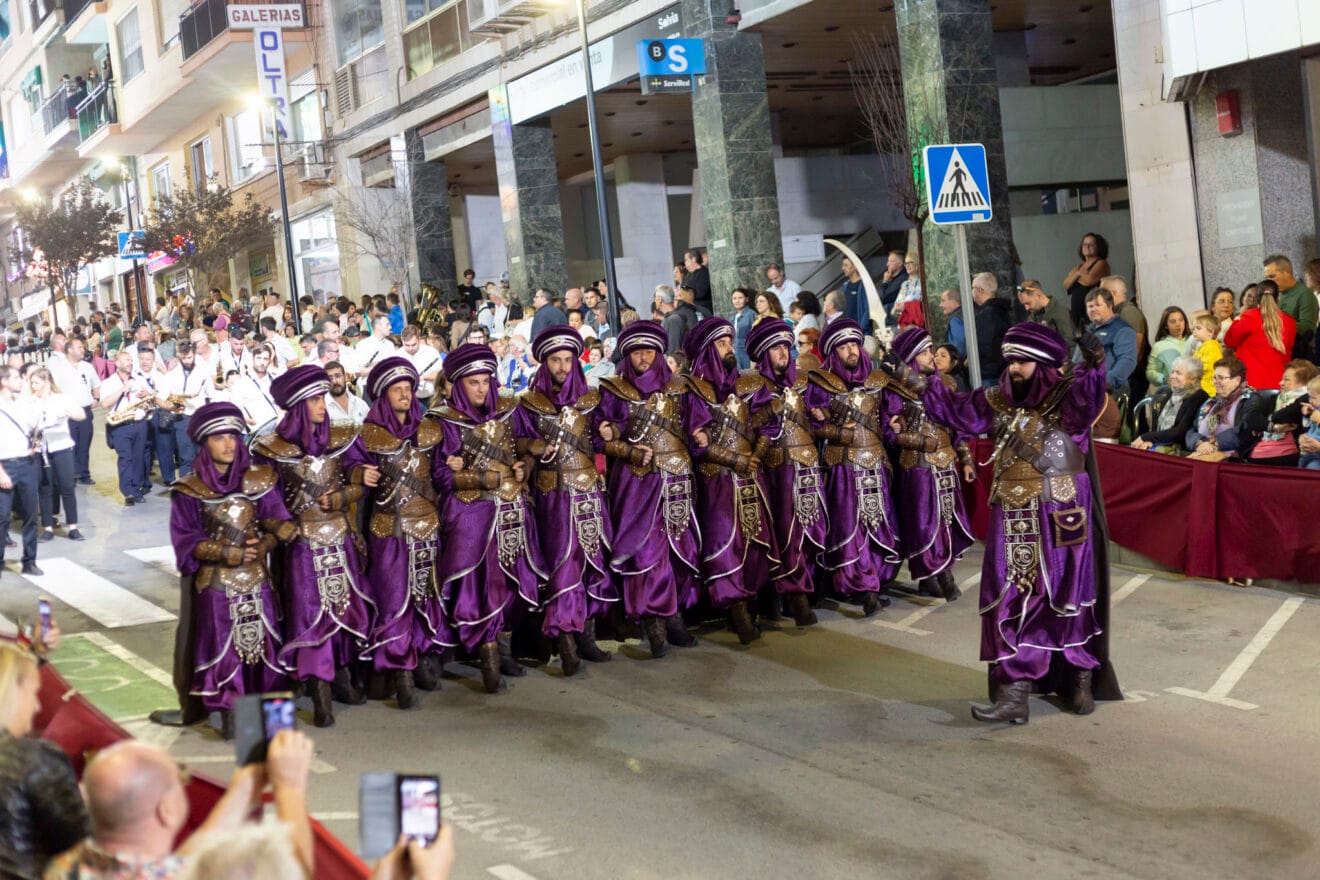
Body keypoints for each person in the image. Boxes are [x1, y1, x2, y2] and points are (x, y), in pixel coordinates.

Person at [923, 322, 1121, 723]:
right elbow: (953, 411)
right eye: (1010, 360)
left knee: (1068, 596)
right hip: (1011, 514)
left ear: (1044, 365)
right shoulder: (997, 399)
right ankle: (1014, 693)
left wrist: (1094, 362)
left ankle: (1079, 678)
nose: (1014, 368)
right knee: (1010, 598)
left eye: (1023, 362)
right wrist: (922, 379)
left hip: (1061, 512)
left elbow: (1089, 399)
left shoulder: (1068, 397)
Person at [154, 402, 296, 737]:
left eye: (233, 436)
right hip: (216, 584)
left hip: (258, 580)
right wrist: (224, 552)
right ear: (205, 443)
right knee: (224, 648)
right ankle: (232, 716)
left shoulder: (260, 479)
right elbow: (186, 539)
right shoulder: (189, 489)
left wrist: (267, 543)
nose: (229, 444)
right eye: (219, 438)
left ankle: (274, 722)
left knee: (266, 647)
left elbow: (277, 520)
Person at [253, 365, 377, 727]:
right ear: (297, 406)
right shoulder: (270, 448)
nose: (323, 405)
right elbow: (266, 497)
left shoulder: (341, 436)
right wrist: (280, 523)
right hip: (301, 546)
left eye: (323, 398)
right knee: (308, 613)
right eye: (315, 400)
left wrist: (345, 493)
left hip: (340, 537)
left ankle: (340, 675)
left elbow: (359, 474)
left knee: (345, 607)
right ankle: (317, 684)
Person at [54, 730, 316, 880]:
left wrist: (243, 791)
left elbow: (178, 865)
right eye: (179, 776)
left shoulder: (66, 864)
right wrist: (290, 787)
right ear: (166, 810)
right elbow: (294, 872)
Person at [431, 345, 543, 693]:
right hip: (472, 514)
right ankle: (488, 654)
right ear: (458, 384)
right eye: (473, 383)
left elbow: (524, 449)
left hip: (513, 509)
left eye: (485, 381)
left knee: (512, 581)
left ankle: (505, 650)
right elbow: (440, 476)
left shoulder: (509, 409)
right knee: (479, 585)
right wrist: (480, 478)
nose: (481, 389)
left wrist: (525, 466)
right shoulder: (442, 420)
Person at [514, 327, 617, 675]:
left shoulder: (591, 400)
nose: (561, 366)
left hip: (589, 491)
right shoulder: (529, 403)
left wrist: (609, 433)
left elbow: (600, 441)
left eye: (567, 360)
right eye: (555, 360)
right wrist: (531, 446)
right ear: (545, 363)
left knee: (592, 560)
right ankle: (565, 641)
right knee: (563, 565)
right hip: (553, 497)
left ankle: (587, 637)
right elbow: (515, 441)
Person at [596, 321, 701, 657]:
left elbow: (696, 426)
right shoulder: (614, 390)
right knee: (646, 553)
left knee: (680, 549)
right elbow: (598, 439)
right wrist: (616, 440)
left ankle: (675, 618)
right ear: (627, 356)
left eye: (649, 351)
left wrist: (702, 435)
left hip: (678, 479)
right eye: (637, 352)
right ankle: (654, 622)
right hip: (637, 483)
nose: (643, 357)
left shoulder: (679, 388)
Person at [682, 317, 778, 644]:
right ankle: (736, 609)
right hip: (718, 480)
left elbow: (768, 425)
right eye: (720, 344)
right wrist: (735, 460)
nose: (727, 350)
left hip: (752, 476)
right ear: (707, 350)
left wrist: (757, 454)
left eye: (728, 343)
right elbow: (697, 443)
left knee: (755, 540)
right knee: (725, 543)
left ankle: (751, 603)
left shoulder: (749, 384)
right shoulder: (695, 390)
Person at [357, 358, 447, 709]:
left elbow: (439, 475)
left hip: (426, 526)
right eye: (397, 389)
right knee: (393, 600)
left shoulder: (429, 431)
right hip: (389, 530)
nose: (405, 395)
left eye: (408, 389)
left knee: (425, 595)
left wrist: (452, 466)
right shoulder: (367, 436)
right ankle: (399, 668)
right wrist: (356, 476)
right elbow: (352, 476)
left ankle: (421, 656)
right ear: (383, 395)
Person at [803, 319, 900, 616]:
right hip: (843, 466)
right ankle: (859, 584)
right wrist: (833, 430)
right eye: (844, 347)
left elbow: (889, 424)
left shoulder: (878, 381)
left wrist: (897, 428)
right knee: (850, 526)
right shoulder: (820, 383)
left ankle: (875, 580)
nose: (851, 351)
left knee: (879, 522)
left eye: (854, 345)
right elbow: (810, 426)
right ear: (834, 353)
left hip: (876, 463)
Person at [884, 328, 974, 602]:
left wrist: (966, 459)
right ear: (911, 357)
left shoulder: (942, 385)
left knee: (947, 521)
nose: (931, 357)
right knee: (924, 524)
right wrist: (919, 441)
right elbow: (888, 434)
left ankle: (932, 576)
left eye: (930, 351)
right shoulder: (895, 390)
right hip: (918, 465)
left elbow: (955, 425)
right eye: (924, 352)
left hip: (945, 463)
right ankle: (940, 575)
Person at [743, 319, 823, 627]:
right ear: (765, 353)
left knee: (809, 529)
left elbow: (816, 422)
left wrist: (821, 416)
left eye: (786, 347)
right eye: (776, 348)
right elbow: (746, 427)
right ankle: (793, 594)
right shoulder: (753, 386)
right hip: (776, 468)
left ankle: (806, 589)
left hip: (807, 464)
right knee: (785, 534)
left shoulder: (801, 382)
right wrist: (769, 410)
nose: (783, 353)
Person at [0, 641, 89, 880]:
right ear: (14, 692)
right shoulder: (36, 760)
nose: (36, 706)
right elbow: (82, 848)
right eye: (33, 693)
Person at [27, 369, 86, 543]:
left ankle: (73, 527)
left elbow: (81, 415)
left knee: (67, 487)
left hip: (61, 447)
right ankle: (47, 528)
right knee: (45, 489)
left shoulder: (62, 399)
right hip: (41, 450)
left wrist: (67, 413)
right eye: (32, 383)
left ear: (47, 382)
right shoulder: (31, 402)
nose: (33, 386)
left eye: (36, 383)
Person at [151, 341, 212, 484]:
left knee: (204, 454)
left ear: (194, 354)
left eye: (189, 357)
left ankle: (205, 485)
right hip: (182, 419)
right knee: (186, 456)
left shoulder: (204, 373)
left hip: (200, 417)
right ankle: (186, 488)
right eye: (183, 358)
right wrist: (171, 408)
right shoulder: (171, 375)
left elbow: (212, 395)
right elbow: (159, 399)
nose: (187, 361)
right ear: (178, 357)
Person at [1185, 356, 1267, 460]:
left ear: (1237, 380)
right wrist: (1199, 443)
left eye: (1220, 378)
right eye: (1214, 377)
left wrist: (1215, 443)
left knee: (1192, 464)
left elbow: (1247, 429)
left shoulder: (1250, 399)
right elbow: (1192, 429)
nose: (1215, 381)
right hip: (1203, 450)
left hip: (1230, 455)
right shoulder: (1212, 401)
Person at [1083, 287, 1137, 439]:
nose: (1093, 309)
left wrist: (1101, 383)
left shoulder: (1123, 330)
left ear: (1109, 305)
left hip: (1109, 394)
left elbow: (1127, 362)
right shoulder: (1087, 332)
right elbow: (1076, 362)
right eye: (1090, 306)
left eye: (1097, 305)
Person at [1223, 280, 1296, 390]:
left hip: (1252, 384)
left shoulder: (1249, 317)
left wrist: (1237, 319)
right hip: (1280, 383)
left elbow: (1229, 341)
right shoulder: (1290, 322)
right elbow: (1289, 351)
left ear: (1257, 299)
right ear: (1278, 298)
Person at [1244, 360, 1317, 468]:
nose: (1280, 383)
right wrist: (1273, 427)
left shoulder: (1308, 400)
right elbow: (1251, 416)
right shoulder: (1275, 398)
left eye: (1287, 379)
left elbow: (1281, 416)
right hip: (1254, 454)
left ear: (1304, 384)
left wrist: (1268, 420)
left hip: (1289, 456)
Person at [46, 338, 99, 485]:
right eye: (79, 347)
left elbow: (96, 384)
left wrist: (96, 397)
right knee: (70, 445)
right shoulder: (58, 368)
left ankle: (84, 473)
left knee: (85, 443)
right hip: (68, 413)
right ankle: (71, 475)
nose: (83, 350)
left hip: (85, 411)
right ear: (70, 350)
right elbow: (53, 388)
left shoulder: (87, 367)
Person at [1131, 357, 1208, 453]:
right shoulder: (1170, 393)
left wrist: (1146, 437)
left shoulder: (1199, 396)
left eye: (1178, 373)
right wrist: (1151, 441)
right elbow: (1157, 428)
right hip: (1162, 445)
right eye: (1172, 372)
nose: (1172, 376)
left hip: (1183, 450)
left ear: (1193, 379)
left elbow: (1180, 432)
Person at [1264, 254, 1317, 360]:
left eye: (1272, 276)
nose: (1269, 281)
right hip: (1280, 351)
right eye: (1267, 278)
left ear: (1287, 273)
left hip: (1299, 354)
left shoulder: (1304, 294)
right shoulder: (1275, 294)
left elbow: (1308, 327)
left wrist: (1277, 322)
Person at [1062, 232, 1110, 332]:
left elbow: (1090, 280)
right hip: (1078, 317)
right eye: (1084, 244)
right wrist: (1078, 274)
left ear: (1098, 247)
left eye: (1091, 244)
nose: (1086, 247)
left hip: (1093, 314)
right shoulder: (1079, 267)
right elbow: (1066, 284)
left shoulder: (1101, 263)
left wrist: (1075, 276)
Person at [971, 273, 1011, 386]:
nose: (971, 292)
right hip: (999, 371)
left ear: (980, 290)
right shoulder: (1000, 310)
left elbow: (983, 345)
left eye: (973, 288)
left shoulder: (988, 313)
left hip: (988, 374)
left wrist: (970, 361)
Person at [233, 345, 281, 429]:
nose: (262, 362)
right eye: (259, 358)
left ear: (270, 361)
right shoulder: (241, 383)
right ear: (253, 359)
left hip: (277, 429)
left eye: (265, 359)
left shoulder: (276, 381)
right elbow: (234, 409)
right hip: (256, 432)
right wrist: (245, 418)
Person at [1017, 280, 1073, 345]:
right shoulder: (1032, 316)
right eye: (1024, 304)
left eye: (1028, 303)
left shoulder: (1060, 312)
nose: (1026, 308)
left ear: (1038, 295)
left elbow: (1070, 343)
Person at [1146, 306, 1190, 388]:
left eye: (1181, 320)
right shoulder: (1159, 346)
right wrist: (1164, 379)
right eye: (1173, 321)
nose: (1178, 324)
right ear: (1166, 325)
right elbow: (1150, 372)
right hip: (1174, 391)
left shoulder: (1194, 340)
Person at [1189, 312, 1224, 397]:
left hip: (1208, 389)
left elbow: (1208, 366)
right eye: (1193, 329)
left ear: (1210, 332)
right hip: (1200, 386)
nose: (1194, 331)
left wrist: (1191, 369)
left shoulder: (1212, 346)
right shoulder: (1203, 346)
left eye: (1198, 328)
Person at [891, 254, 925, 329]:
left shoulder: (922, 282)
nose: (907, 265)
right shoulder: (905, 284)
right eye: (906, 263)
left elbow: (919, 300)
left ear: (917, 263)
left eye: (910, 262)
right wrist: (899, 307)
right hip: (904, 323)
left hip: (916, 323)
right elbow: (896, 305)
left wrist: (905, 305)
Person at [840, 256, 871, 332]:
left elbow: (868, 310)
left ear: (855, 266)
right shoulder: (845, 286)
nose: (843, 268)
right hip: (847, 331)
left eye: (846, 265)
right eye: (843, 265)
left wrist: (860, 329)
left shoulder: (865, 285)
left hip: (860, 332)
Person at [1297, 375, 1320, 470]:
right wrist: (1307, 415)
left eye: (1313, 397)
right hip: (1307, 453)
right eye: (1309, 397)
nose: (1310, 400)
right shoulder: (1315, 410)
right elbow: (1306, 427)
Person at [680, 248, 712, 315]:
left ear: (693, 259)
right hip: (688, 310)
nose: (685, 262)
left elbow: (701, 292)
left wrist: (685, 293)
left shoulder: (704, 273)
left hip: (701, 310)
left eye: (686, 260)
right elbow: (682, 288)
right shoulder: (687, 275)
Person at [730, 288, 754, 370]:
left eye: (740, 298)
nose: (737, 301)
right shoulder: (732, 317)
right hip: (735, 353)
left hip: (746, 353)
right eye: (734, 298)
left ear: (746, 299)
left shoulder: (751, 314)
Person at [939, 288, 966, 356]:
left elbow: (958, 349)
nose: (940, 305)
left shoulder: (955, 320)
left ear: (953, 302)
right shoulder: (966, 313)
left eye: (943, 301)